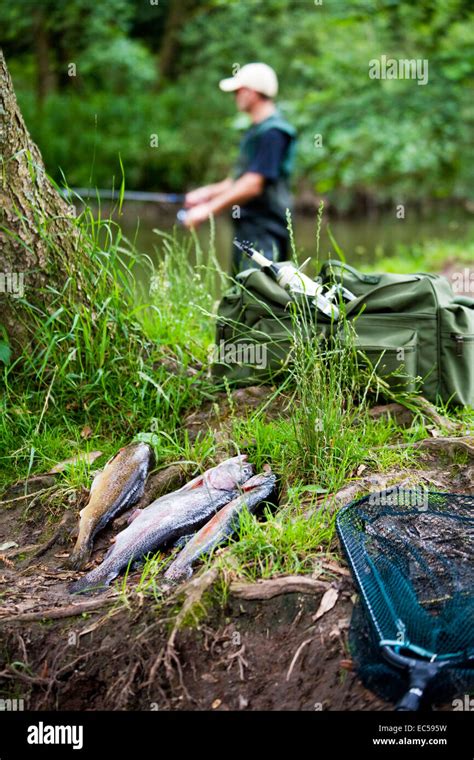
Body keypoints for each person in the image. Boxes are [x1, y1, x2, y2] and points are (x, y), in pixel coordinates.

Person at [184, 62, 297, 273]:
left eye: (238, 91)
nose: (235, 96)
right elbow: (238, 180)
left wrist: (207, 210)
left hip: (265, 231)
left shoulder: (274, 133)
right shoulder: (257, 131)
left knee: (258, 297)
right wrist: (205, 194)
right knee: (241, 295)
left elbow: (253, 184)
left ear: (251, 93)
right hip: (248, 229)